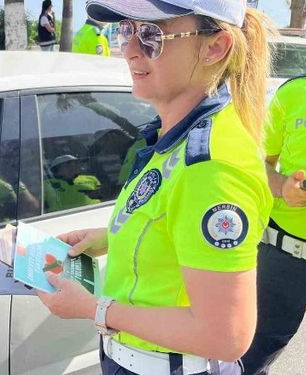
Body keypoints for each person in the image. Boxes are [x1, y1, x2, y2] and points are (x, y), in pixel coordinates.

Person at [37, 1, 275, 374]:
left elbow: (225, 336)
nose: (130, 48)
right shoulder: (177, 131)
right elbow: (174, 220)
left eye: (152, 35)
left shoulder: (211, 167)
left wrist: (93, 309)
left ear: (215, 47)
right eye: (127, 30)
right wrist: (114, 236)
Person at [240, 3, 306, 375]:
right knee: (244, 362)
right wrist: (283, 186)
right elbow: (258, 163)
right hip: (281, 259)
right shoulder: (292, 94)